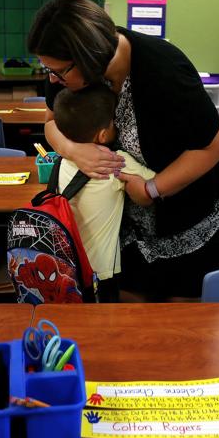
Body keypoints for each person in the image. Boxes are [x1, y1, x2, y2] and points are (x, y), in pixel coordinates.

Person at [27, 0, 219, 302]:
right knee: (129, 303)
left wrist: (153, 188)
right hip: (130, 213)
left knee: (180, 311)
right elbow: (50, 122)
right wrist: (74, 150)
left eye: (58, 71)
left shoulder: (164, 71)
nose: (52, 79)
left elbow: (213, 146)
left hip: (192, 206)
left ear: (89, 59)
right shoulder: (66, 73)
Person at [53, 84, 156, 303]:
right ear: (102, 135)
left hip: (66, 266)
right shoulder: (116, 162)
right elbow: (157, 182)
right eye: (112, 122)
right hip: (100, 273)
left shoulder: (61, 160)